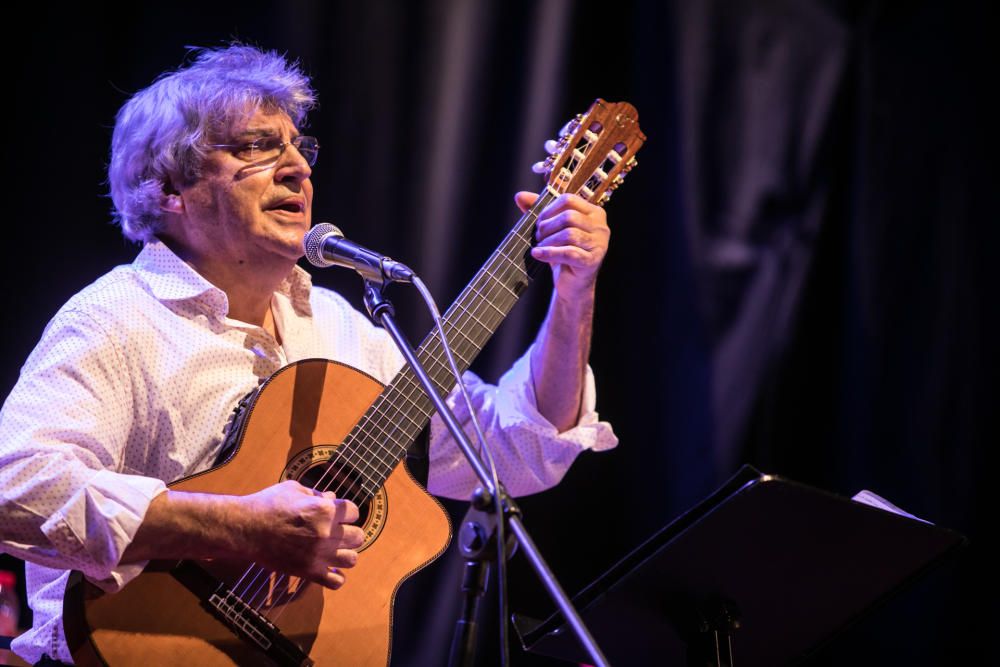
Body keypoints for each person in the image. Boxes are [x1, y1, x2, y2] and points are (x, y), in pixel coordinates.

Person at [0, 45, 617, 665]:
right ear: (169, 189)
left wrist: (574, 288)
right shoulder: (118, 317)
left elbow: (517, 450)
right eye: (255, 148)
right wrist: (238, 526)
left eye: (299, 147)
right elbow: (14, 485)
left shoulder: (342, 329)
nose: (297, 167)